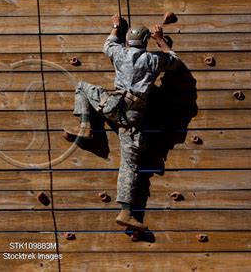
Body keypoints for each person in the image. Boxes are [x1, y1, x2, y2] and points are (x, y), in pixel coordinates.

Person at [63, 14, 181, 231]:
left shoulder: (120, 53)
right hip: (132, 118)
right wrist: (160, 40)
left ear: (129, 41)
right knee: (129, 165)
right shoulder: (153, 59)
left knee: (82, 86)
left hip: (111, 106)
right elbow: (174, 61)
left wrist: (116, 26)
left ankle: (86, 127)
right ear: (145, 42)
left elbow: (108, 44)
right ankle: (126, 212)